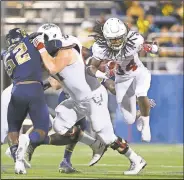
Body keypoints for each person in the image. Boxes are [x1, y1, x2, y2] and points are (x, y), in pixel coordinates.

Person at [32, 24, 148, 175]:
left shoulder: (65, 50)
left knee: (107, 137)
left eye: (43, 39)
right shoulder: (54, 54)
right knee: (60, 126)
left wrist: (40, 48)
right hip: (77, 100)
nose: (41, 43)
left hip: (93, 96)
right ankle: (95, 145)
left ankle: (136, 159)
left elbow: (53, 68)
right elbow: (55, 81)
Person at [87, 18, 158, 142]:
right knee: (129, 119)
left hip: (138, 73)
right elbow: (91, 67)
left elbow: (153, 46)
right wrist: (104, 76)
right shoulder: (100, 47)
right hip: (122, 79)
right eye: (112, 39)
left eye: (119, 38)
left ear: (125, 35)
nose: (116, 41)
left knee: (142, 93)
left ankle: (146, 125)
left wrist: (152, 48)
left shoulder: (135, 39)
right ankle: (141, 112)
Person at [2, 28, 51, 174]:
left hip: (16, 90)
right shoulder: (30, 41)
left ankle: (18, 163)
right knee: (42, 130)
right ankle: (27, 139)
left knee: (13, 130)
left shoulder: (5, 54)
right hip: (34, 87)